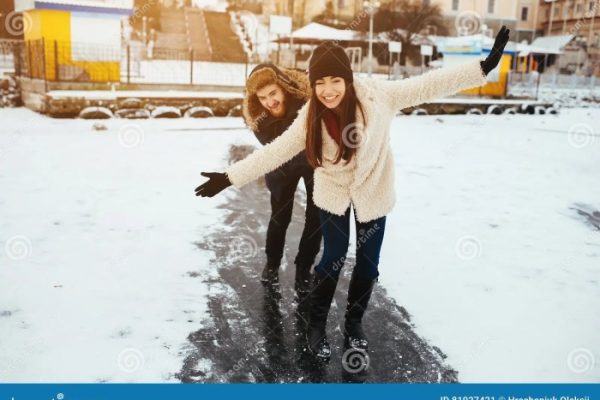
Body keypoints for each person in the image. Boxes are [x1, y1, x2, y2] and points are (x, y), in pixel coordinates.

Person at [196, 27, 510, 362]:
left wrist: (482, 68)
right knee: (332, 257)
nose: (327, 91)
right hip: (333, 190)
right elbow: (274, 152)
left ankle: (353, 324)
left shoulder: (379, 96)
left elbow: (428, 85)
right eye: (319, 83)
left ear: (347, 78)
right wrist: (230, 177)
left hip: (373, 188)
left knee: (368, 262)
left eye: (334, 80)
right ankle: (315, 323)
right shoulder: (309, 115)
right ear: (312, 85)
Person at [235, 63, 323, 294]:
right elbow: (274, 148)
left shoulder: (305, 101)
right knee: (280, 215)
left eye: (273, 93)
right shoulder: (258, 117)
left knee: (316, 216)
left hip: (311, 161)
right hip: (281, 165)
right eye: (263, 97)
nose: (269, 101)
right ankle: (272, 264)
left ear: (283, 87)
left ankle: (304, 267)